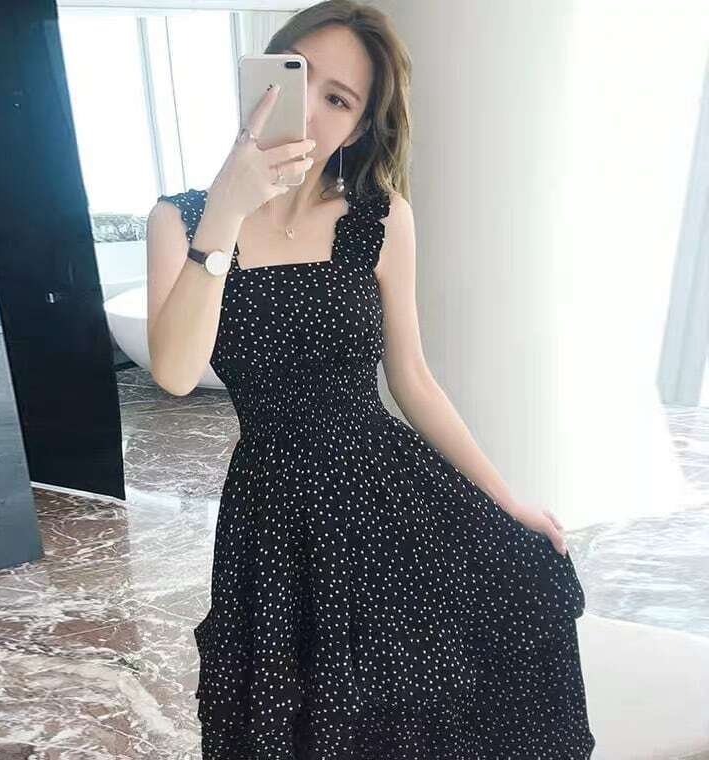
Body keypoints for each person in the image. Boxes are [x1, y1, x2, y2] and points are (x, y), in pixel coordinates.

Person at [146, 1, 596, 757]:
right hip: (272, 513)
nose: (309, 111)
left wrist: (507, 499)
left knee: (402, 699)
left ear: (357, 128)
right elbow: (175, 373)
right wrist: (226, 209)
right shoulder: (180, 220)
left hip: (385, 497)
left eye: (338, 99)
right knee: (294, 710)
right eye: (299, 78)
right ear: (259, 78)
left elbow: (413, 379)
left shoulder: (380, 218)